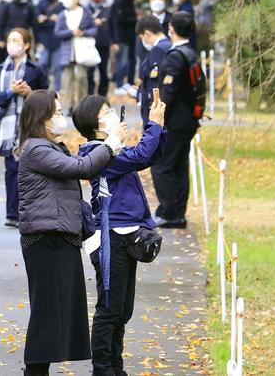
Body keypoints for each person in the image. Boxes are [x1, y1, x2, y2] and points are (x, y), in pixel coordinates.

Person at [17, 89, 121, 376]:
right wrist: (110, 145)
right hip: (45, 239)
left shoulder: (50, 147)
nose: (62, 118)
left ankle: (39, 370)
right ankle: (35, 372)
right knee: (46, 312)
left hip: (60, 236)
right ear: (42, 118)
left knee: (58, 313)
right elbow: (80, 167)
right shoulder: (36, 149)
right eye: (58, 113)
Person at [74, 92, 167, 376]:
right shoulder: (96, 152)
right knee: (110, 309)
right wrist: (154, 124)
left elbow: (148, 156)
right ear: (94, 123)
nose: (112, 114)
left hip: (126, 233)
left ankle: (116, 367)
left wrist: (159, 126)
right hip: (109, 236)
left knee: (122, 309)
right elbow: (140, 156)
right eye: (105, 112)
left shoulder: (111, 150)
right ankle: (103, 370)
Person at [0, 28, 48, 228]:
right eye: (10, 39)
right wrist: (10, 91)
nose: (12, 43)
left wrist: (30, 93)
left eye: (16, 40)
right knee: (11, 169)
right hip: (7, 126)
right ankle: (12, 213)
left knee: (29, 169)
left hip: (29, 125)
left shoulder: (35, 70)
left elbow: (47, 99)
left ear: (26, 45)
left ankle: (28, 211)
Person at [146, 12, 201, 229]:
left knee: (162, 166)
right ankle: (177, 212)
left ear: (171, 29)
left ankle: (169, 212)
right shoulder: (190, 53)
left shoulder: (176, 56)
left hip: (176, 122)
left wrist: (157, 119)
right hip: (187, 121)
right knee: (178, 167)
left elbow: (168, 92)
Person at [52, 0, 97, 115]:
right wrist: (71, 32)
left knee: (82, 77)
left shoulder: (86, 12)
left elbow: (94, 29)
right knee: (68, 79)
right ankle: (70, 106)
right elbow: (57, 32)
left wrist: (83, 33)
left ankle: (82, 105)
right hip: (68, 50)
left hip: (82, 50)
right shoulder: (62, 15)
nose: (66, 0)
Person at [134, 15, 171, 123]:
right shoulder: (169, 45)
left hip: (154, 108)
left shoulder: (158, 50)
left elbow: (154, 82)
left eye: (141, 38)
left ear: (146, 34)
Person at [108, 0, 139, 95]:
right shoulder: (120, 1)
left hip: (130, 36)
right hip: (122, 36)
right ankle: (119, 83)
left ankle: (130, 83)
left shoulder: (129, 1)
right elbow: (117, 21)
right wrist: (114, 40)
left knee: (132, 61)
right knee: (122, 61)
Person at [87, 0, 112, 97]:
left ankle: (102, 94)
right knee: (89, 71)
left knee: (103, 70)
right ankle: (90, 92)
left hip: (103, 43)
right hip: (88, 44)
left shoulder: (107, 9)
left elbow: (112, 25)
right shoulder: (86, 9)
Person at [33, 0, 62, 73]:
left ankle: (57, 87)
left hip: (58, 38)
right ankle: (44, 86)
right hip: (43, 39)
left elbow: (62, 21)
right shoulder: (41, 3)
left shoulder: (62, 3)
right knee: (42, 63)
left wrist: (47, 19)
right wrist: (51, 19)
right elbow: (38, 21)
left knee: (58, 66)